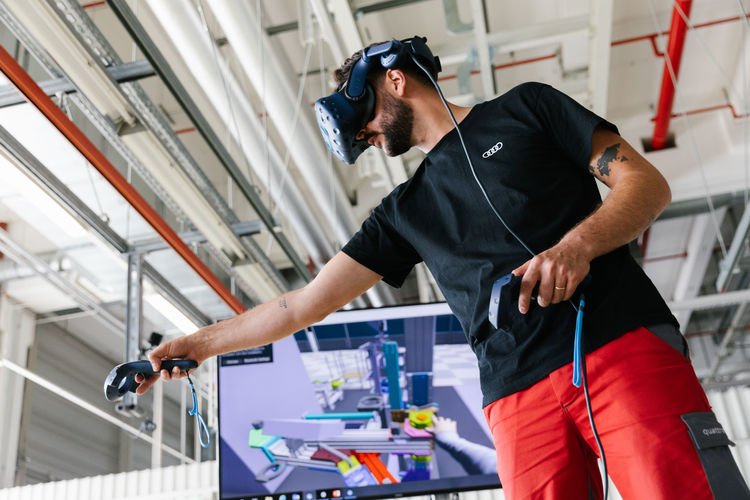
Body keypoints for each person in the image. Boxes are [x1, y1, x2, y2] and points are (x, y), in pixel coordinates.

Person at [136, 38, 750, 499]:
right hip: (514, 396)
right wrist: (195, 344)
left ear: (395, 79)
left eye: (365, 118)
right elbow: (300, 306)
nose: (366, 137)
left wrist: (577, 247)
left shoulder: (527, 108)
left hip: (617, 345)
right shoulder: (404, 211)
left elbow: (645, 185)